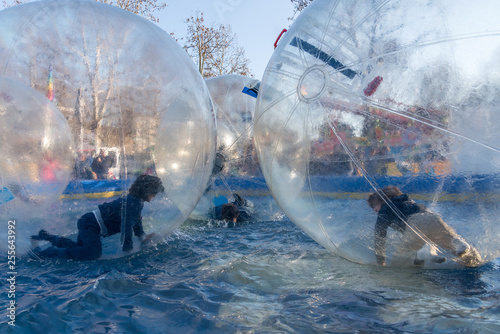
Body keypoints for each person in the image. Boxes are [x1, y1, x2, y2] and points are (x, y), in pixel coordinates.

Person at [31, 174, 164, 260]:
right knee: (92, 253)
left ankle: (46, 236)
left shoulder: (137, 201)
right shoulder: (132, 203)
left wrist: (141, 237)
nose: (154, 196)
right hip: (91, 224)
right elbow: (127, 227)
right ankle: (45, 253)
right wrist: (127, 252)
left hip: (89, 221)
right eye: (154, 193)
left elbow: (137, 221)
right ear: (147, 191)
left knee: (79, 246)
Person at [367, 186, 482, 267]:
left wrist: (380, 262)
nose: (375, 211)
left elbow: (379, 234)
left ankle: (423, 255)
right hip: (432, 217)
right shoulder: (409, 202)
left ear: (381, 201)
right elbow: (426, 228)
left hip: (415, 222)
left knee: (400, 261)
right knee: (451, 241)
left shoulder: (385, 208)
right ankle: (465, 249)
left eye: (374, 206)